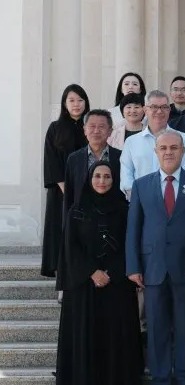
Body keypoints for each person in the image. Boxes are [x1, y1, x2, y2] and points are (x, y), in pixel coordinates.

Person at [126, 131, 185, 385]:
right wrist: (133, 266)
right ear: (155, 152)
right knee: (157, 329)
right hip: (153, 269)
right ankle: (161, 377)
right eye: (163, 148)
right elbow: (134, 229)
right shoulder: (141, 185)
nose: (168, 152)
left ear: (183, 151)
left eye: (174, 148)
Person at [56, 161, 143, 385]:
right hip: (84, 288)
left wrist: (111, 272)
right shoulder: (76, 211)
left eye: (107, 176)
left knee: (117, 338)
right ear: (89, 179)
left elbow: (130, 244)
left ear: (114, 180)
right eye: (97, 176)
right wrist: (92, 272)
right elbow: (70, 248)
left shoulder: (125, 210)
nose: (102, 181)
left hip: (117, 287)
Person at [42, 84, 90, 279]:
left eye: (80, 100)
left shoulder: (91, 127)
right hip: (60, 191)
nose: (76, 104)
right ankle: (59, 270)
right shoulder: (55, 128)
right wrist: (67, 189)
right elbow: (51, 161)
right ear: (64, 104)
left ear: (86, 103)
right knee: (60, 228)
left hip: (88, 190)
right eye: (71, 100)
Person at [120, 90, 185, 200]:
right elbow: (127, 178)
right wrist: (141, 200)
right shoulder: (131, 142)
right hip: (140, 202)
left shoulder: (184, 139)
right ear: (145, 110)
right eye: (154, 107)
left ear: (169, 110)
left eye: (164, 107)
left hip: (174, 201)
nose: (159, 111)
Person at [64, 110, 121, 222]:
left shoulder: (120, 157)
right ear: (85, 130)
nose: (96, 131)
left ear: (110, 131)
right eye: (92, 126)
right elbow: (69, 197)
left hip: (112, 221)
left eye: (101, 127)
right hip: (82, 221)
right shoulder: (74, 159)